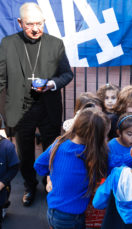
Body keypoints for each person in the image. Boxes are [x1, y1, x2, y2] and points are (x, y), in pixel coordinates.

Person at [0, 2, 73, 206]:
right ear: (19, 23)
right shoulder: (8, 44)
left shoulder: (55, 44)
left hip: (49, 108)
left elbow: (67, 75)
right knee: (25, 151)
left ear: (44, 22)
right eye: (29, 24)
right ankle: (29, 186)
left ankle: (49, 182)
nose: (35, 28)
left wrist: (52, 84)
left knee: (51, 149)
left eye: (39, 23)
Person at [34, 108, 110, 229]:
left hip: (53, 209)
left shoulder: (59, 143)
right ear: (94, 137)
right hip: (71, 217)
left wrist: (53, 178)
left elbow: (39, 166)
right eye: (104, 136)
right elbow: (115, 162)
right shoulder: (88, 153)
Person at [0, 119, 19, 226]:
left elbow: (14, 168)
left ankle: (4, 204)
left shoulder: (7, 146)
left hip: (2, 187)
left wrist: (2, 183)